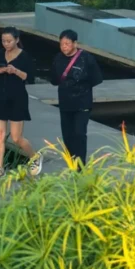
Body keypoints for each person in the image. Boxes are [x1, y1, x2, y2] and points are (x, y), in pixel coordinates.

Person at [0, 27, 41, 181]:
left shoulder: (24, 56)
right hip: (1, 96)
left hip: (17, 97)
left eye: (9, 41)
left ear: (17, 40)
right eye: (4, 41)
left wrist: (15, 71)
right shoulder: (1, 54)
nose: (6, 44)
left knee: (16, 138)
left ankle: (35, 156)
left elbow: (30, 78)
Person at [50, 29, 104, 166]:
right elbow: (54, 80)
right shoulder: (58, 58)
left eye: (67, 44)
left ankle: (80, 165)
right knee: (67, 135)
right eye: (62, 44)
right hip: (65, 102)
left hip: (82, 102)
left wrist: (81, 87)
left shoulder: (86, 58)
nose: (64, 47)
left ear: (75, 43)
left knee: (79, 133)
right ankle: (71, 162)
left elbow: (97, 78)